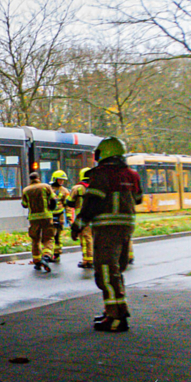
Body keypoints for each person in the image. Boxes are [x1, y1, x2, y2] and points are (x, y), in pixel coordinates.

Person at [71, 136, 143, 333]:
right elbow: (138, 199)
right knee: (116, 271)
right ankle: (112, 310)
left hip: (106, 229)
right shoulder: (132, 175)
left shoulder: (100, 174)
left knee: (105, 273)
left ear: (102, 154)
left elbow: (92, 203)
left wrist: (78, 225)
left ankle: (116, 318)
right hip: (126, 228)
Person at [21, 171, 55, 272]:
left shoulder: (26, 190)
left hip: (33, 218)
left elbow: (24, 204)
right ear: (38, 178)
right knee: (48, 238)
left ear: (30, 180)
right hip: (46, 217)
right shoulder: (46, 186)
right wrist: (51, 209)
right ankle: (46, 256)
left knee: (35, 239)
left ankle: (36, 261)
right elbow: (53, 200)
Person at [65, 167, 93, 268]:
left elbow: (69, 202)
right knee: (93, 237)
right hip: (96, 216)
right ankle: (92, 258)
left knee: (85, 238)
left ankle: (88, 260)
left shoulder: (77, 188)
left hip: (82, 217)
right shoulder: (96, 187)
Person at [49, 169, 71, 262]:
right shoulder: (48, 189)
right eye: (60, 179)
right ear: (55, 179)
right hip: (50, 215)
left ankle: (57, 253)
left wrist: (69, 217)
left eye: (63, 180)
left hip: (60, 215)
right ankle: (49, 253)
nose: (61, 181)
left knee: (58, 235)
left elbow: (67, 205)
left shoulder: (65, 191)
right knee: (49, 235)